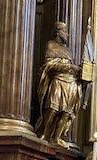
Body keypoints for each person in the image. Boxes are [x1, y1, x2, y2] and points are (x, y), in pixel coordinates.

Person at [35, 21, 83, 149]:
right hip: (58, 81)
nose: (67, 34)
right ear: (57, 32)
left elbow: (72, 67)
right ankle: (45, 134)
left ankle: (57, 137)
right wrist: (69, 67)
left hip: (71, 83)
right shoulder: (51, 45)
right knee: (52, 109)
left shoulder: (68, 51)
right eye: (65, 31)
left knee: (66, 113)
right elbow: (49, 65)